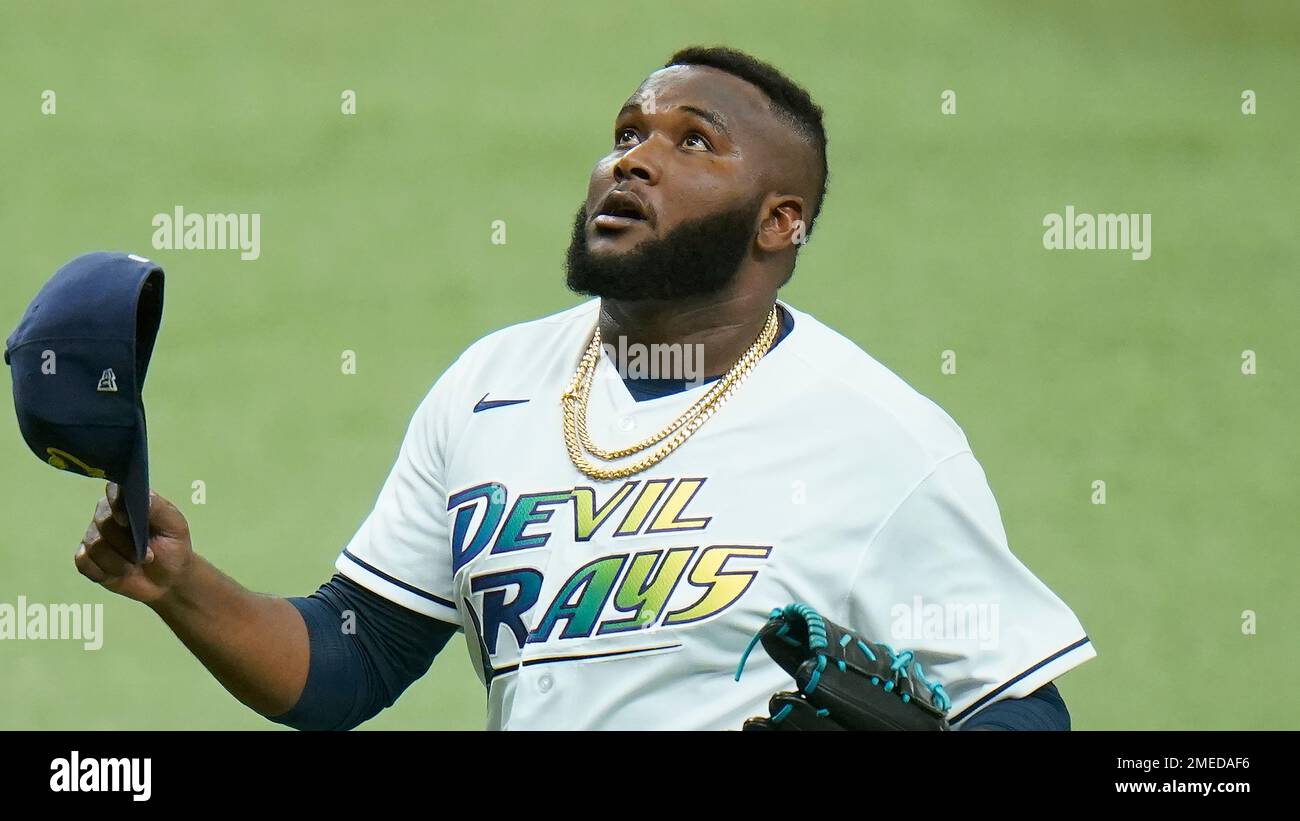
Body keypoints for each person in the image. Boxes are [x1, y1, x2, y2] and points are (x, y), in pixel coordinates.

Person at [77, 46, 1092, 730]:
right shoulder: (490, 387)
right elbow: (355, 653)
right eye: (627, 132)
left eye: (694, 140)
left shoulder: (876, 438)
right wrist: (179, 583)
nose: (634, 159)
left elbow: (1018, 703)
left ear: (781, 221)